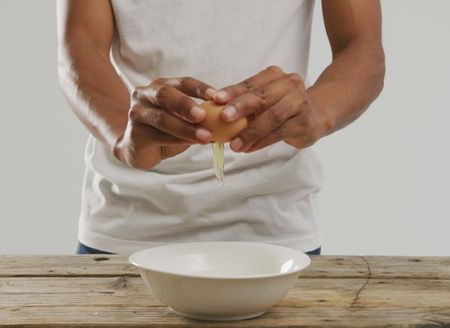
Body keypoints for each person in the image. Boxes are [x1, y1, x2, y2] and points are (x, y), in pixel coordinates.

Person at [56, 0, 384, 256]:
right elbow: (80, 44)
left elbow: (362, 47)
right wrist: (123, 140)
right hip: (124, 231)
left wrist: (318, 112)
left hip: (276, 232)